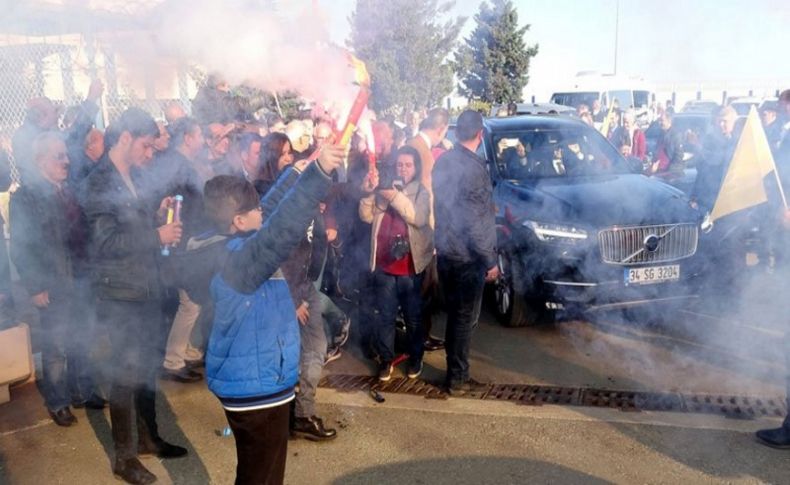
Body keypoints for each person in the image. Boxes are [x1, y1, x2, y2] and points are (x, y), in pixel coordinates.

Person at [203, 146, 344, 485]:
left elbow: (269, 210)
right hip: (255, 392)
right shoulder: (241, 260)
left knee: (259, 473)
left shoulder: (235, 240)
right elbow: (279, 230)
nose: (262, 210)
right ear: (238, 221)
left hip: (258, 383)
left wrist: (297, 172)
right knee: (261, 477)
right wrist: (318, 176)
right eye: (254, 209)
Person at [81, 108, 186, 485]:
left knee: (146, 369)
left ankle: (148, 437)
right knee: (125, 375)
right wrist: (155, 237)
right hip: (119, 294)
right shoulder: (97, 183)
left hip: (146, 287)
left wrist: (156, 215)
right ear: (125, 137)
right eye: (145, 144)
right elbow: (105, 242)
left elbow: (131, 224)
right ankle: (124, 457)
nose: (150, 153)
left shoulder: (134, 176)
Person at [9, 132, 101, 426]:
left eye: (66, 155)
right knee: (57, 346)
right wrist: (35, 287)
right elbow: (21, 247)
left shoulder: (70, 190)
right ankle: (58, 401)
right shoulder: (26, 197)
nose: (66, 160)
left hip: (81, 278)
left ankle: (83, 391)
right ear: (40, 162)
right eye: (58, 156)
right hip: (53, 282)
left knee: (83, 338)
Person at [432, 110, 499, 394]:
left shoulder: (443, 161)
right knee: (463, 318)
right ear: (480, 134)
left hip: (446, 250)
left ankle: (457, 372)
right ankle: (457, 378)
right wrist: (490, 260)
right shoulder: (474, 169)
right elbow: (474, 222)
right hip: (467, 255)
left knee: (457, 317)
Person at [359, 145, 433, 381]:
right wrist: (370, 193)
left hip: (410, 269)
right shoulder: (384, 188)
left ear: (416, 167)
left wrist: (394, 196)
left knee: (413, 317)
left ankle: (415, 357)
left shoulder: (422, 192)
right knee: (385, 316)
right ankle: (386, 360)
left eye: (408, 164)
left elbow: (417, 217)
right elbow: (366, 216)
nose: (402, 168)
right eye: (399, 164)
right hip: (384, 266)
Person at [406, 108, 449, 352]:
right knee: (422, 289)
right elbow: (423, 195)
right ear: (442, 128)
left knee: (424, 289)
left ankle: (422, 335)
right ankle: (418, 339)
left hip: (420, 227)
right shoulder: (420, 150)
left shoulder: (418, 146)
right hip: (419, 231)